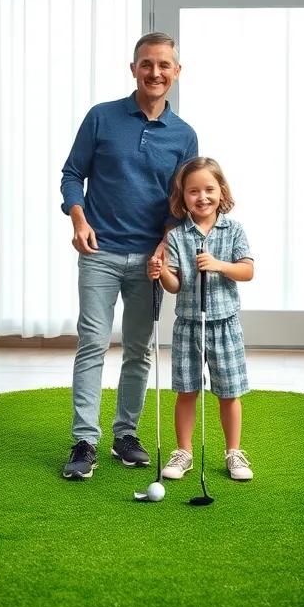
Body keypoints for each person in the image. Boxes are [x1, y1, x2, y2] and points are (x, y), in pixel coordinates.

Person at [60, 32, 198, 481]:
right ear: (133, 68)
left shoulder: (184, 135)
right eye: (146, 64)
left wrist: (166, 243)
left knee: (139, 350)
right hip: (99, 253)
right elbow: (71, 175)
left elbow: (185, 201)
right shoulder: (101, 118)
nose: (155, 73)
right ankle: (85, 441)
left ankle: (126, 435)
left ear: (176, 72)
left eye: (164, 65)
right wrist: (79, 221)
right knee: (93, 343)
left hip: (150, 260)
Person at [148, 156, 255, 482]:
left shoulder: (234, 230)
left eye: (209, 189)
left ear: (221, 192)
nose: (202, 197)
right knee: (187, 390)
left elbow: (247, 270)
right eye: (193, 191)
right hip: (189, 326)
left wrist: (219, 265)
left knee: (228, 392)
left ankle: (233, 452)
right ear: (183, 198)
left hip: (225, 325)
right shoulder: (178, 237)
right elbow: (176, 284)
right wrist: (161, 271)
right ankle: (184, 452)